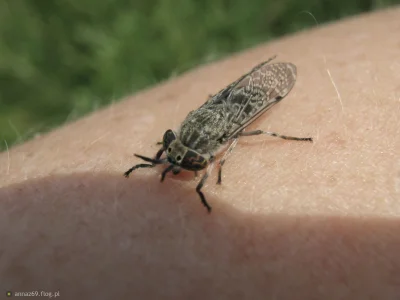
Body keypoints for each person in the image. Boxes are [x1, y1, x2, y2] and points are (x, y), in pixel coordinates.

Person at [1, 7, 399, 299]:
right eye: (178, 157)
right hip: (217, 111)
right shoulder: (183, 142)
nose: (179, 162)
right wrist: (163, 157)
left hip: (238, 109)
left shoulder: (213, 148)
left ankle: (270, 138)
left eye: (185, 160)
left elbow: (227, 141)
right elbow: (191, 134)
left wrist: (208, 181)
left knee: (251, 126)